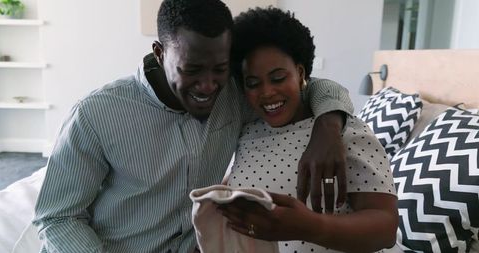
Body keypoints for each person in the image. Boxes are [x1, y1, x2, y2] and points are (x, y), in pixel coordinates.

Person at [32, 1, 354, 253]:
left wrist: (327, 127)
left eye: (220, 69)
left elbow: (316, 87)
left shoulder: (235, 94)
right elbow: (56, 217)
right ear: (160, 53)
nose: (208, 85)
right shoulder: (95, 115)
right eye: (193, 70)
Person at [216, 7, 399, 253]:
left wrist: (311, 227)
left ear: (300, 73)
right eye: (253, 83)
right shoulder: (248, 131)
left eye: (278, 78)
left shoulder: (342, 131)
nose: (267, 92)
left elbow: (385, 229)